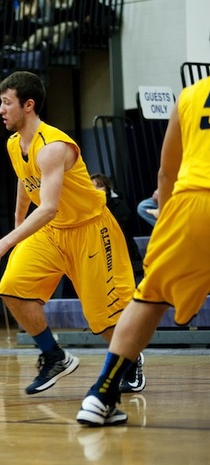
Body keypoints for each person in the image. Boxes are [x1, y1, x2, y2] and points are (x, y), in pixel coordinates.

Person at [0, 71, 143, 396]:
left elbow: (48, 207)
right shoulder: (14, 144)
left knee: (104, 321)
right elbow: (26, 181)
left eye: (6, 103)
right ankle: (54, 356)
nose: (0, 110)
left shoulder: (53, 146)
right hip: (52, 232)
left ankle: (131, 361)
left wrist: (7, 242)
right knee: (12, 289)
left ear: (29, 105)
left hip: (90, 229)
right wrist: (17, 223)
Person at [76, 76, 210, 426]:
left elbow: (167, 173)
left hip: (191, 202)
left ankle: (101, 394)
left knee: (148, 300)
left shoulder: (192, 93)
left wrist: (166, 225)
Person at [90, 173, 144, 280]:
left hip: (125, 260)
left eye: (99, 186)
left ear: (108, 189)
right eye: (91, 187)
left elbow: (115, 234)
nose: (95, 190)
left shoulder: (119, 207)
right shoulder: (87, 210)